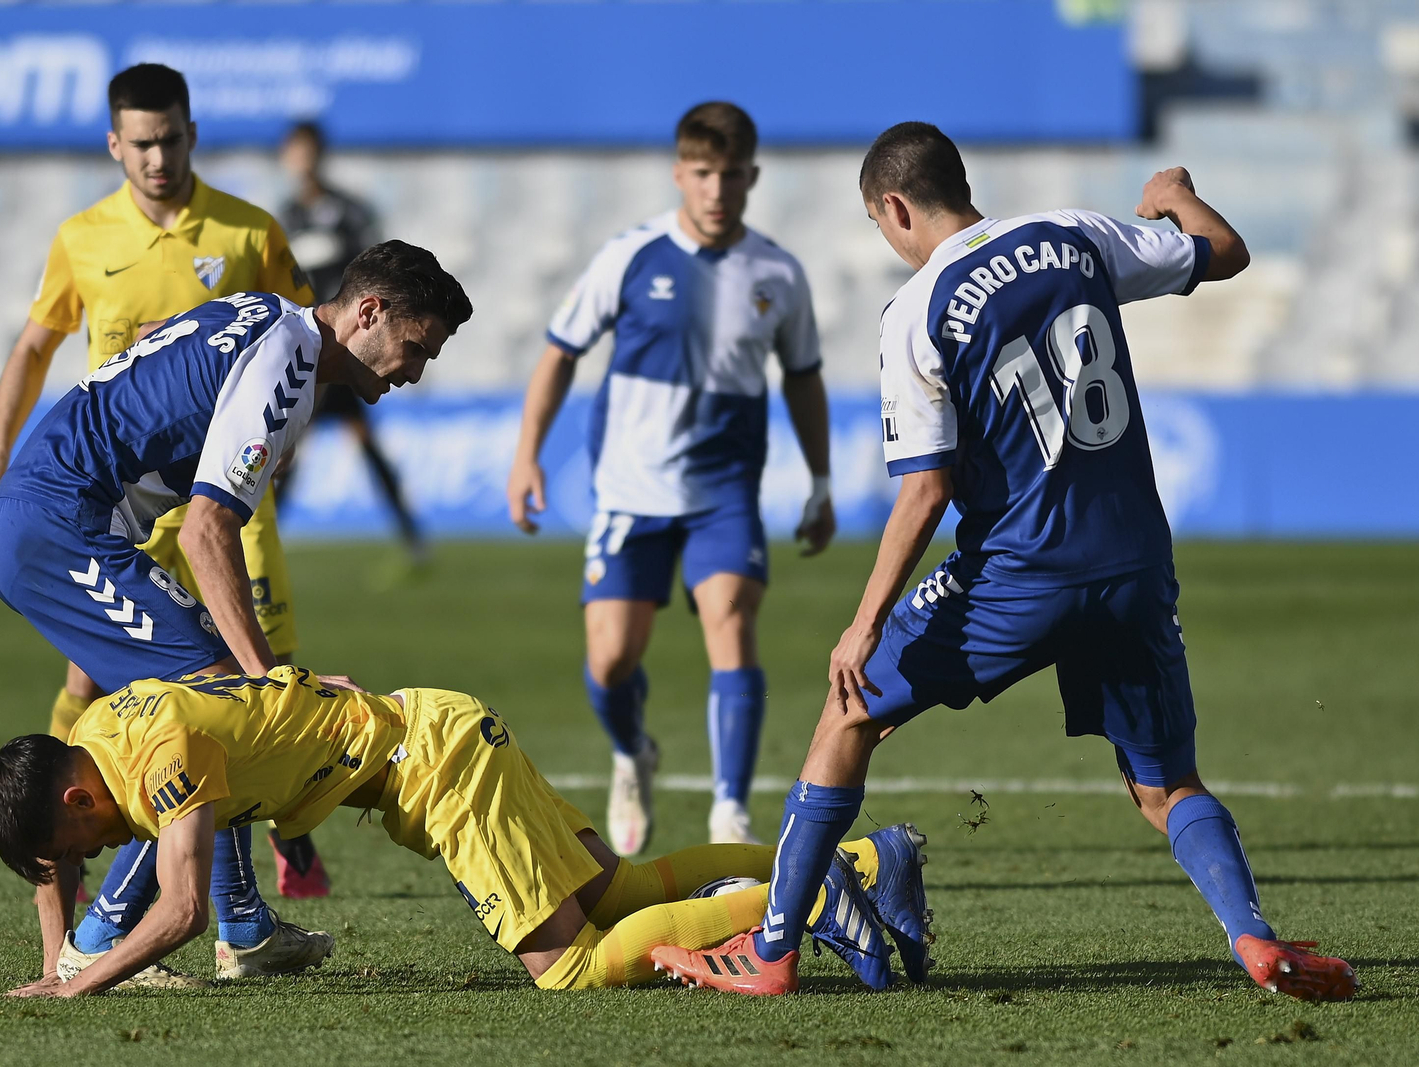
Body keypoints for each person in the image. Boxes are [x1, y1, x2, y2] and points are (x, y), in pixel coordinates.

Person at [660, 122, 1358, 1002]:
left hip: (1017, 572)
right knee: (1167, 784)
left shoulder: (916, 310)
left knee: (846, 716)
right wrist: (1176, 194)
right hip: (1135, 562)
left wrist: (864, 619)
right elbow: (1222, 252)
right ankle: (1255, 940)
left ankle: (770, 953)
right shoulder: (1077, 236)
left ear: (896, 206)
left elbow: (926, 491)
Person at [0, 241, 473, 987]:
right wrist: (269, 679)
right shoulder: (290, 361)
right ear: (368, 312)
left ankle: (240, 921)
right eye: (414, 347)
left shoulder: (266, 316)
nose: (414, 371)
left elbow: (154, 348)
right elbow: (209, 526)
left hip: (53, 520)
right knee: (220, 703)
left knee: (211, 715)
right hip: (57, 525)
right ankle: (97, 941)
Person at [0, 63, 334, 900]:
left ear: (192, 134)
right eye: (142, 144)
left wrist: (282, 446)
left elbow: (310, 344)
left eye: (172, 140)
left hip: (220, 502)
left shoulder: (248, 231)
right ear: (115, 146)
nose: (158, 159)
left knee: (257, 668)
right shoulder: (82, 237)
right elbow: (34, 347)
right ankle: (70, 868)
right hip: (109, 501)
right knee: (109, 693)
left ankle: (284, 851)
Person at [0, 666, 933, 996]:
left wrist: (83, 983)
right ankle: (858, 858)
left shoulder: (157, 761)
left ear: (73, 797)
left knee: (571, 967)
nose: (93, 859)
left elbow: (183, 908)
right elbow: (48, 856)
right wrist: (57, 948)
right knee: (625, 892)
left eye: (80, 845)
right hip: (438, 730)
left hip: (437, 768)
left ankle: (808, 895)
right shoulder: (89, 732)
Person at [506, 102, 835, 854]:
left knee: (732, 619)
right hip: (630, 489)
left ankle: (730, 813)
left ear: (752, 175)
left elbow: (805, 378)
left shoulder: (779, 272)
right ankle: (633, 753)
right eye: (703, 174)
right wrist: (527, 453)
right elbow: (560, 353)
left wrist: (820, 478)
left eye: (731, 175)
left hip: (724, 491)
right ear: (679, 174)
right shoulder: (629, 256)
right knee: (612, 657)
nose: (717, 190)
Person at [274, 121, 426, 565]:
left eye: (309, 151)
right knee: (290, 443)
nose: (302, 160)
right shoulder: (285, 217)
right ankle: (260, 540)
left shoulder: (349, 211)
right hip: (307, 343)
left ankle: (412, 537)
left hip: (346, 348)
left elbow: (376, 270)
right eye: (295, 151)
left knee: (339, 442)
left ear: (320, 154)